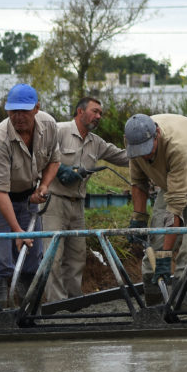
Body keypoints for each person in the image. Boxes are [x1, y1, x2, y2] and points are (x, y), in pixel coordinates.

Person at [124, 113, 187, 308]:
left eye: (148, 149)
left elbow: (175, 208)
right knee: (154, 245)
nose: (145, 155)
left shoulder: (180, 146)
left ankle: (180, 308)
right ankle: (153, 308)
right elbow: (138, 182)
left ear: (157, 134)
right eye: (139, 151)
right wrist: (139, 217)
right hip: (170, 182)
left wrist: (166, 255)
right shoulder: (134, 142)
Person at [0, 83, 60, 307]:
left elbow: (54, 160)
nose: (18, 116)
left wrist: (43, 187)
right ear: (7, 111)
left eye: (24, 111)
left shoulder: (49, 125)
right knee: (1, 260)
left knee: (32, 259)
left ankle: (30, 313)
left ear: (36, 109)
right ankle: (0, 315)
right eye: (13, 111)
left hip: (27, 196)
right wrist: (17, 232)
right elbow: (0, 192)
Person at [43, 96, 128, 302]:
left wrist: (148, 151)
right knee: (53, 255)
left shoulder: (96, 143)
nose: (98, 116)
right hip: (54, 202)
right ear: (80, 112)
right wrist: (60, 169)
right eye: (95, 111)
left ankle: (74, 301)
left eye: (100, 113)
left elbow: (123, 157)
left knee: (77, 256)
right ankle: (56, 305)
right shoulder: (59, 130)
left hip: (77, 205)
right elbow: (39, 154)